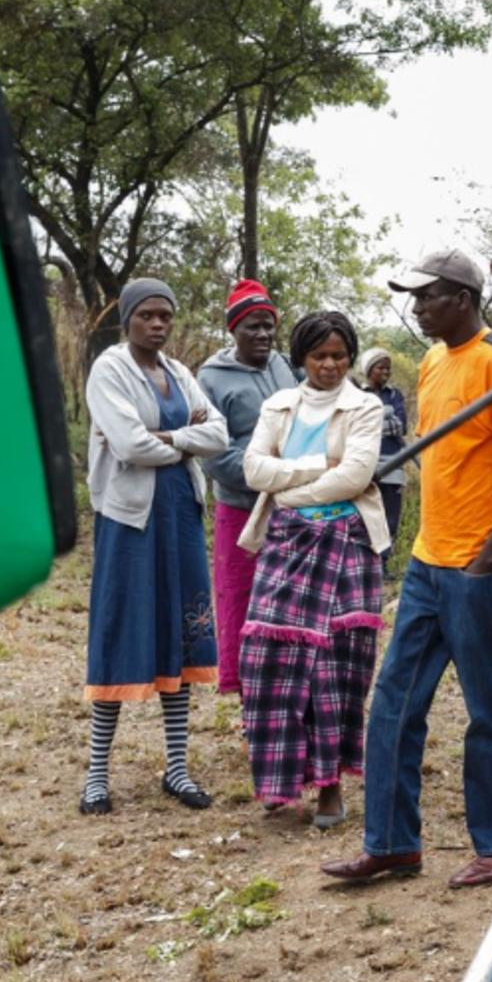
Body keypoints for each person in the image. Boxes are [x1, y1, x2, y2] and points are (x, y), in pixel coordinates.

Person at [321, 248, 492, 889]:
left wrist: (484, 559)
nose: (416, 308)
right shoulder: (435, 364)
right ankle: (391, 843)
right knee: (394, 701)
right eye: (414, 298)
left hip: (476, 568)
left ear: (464, 299)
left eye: (427, 297)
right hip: (427, 560)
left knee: (487, 708)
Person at [80, 278, 229, 815]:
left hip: (181, 515)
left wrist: (165, 439)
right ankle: (97, 775)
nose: (159, 324)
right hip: (130, 520)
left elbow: (220, 433)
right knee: (121, 630)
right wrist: (179, 441)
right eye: (147, 315)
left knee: (182, 637)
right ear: (127, 320)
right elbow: (127, 443)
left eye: (166, 315)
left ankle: (177, 768)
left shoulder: (179, 373)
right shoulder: (109, 369)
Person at [237, 312, 390, 828]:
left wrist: (287, 492)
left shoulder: (365, 406)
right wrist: (316, 472)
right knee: (266, 662)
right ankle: (282, 781)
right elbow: (253, 468)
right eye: (319, 356)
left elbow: (356, 476)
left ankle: (330, 788)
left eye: (339, 356)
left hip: (346, 545)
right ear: (300, 357)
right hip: (285, 543)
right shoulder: (278, 405)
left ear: (351, 357)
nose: (330, 365)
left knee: (334, 671)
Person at [198, 279, 298, 697]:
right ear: (233, 330)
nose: (262, 334)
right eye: (252, 326)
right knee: (242, 601)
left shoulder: (281, 366)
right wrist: (270, 473)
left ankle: (285, 694)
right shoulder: (211, 378)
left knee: (286, 602)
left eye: (268, 326)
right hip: (241, 508)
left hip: (291, 507)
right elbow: (213, 453)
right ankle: (249, 701)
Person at [358, 346, 409, 555]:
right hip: (365, 465)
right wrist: (385, 417)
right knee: (366, 515)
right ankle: (365, 559)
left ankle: (384, 563)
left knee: (390, 517)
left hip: (394, 467)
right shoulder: (358, 394)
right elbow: (359, 426)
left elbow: (402, 426)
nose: (386, 373)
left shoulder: (395, 394)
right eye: (381, 368)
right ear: (370, 370)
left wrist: (377, 421)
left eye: (388, 369)